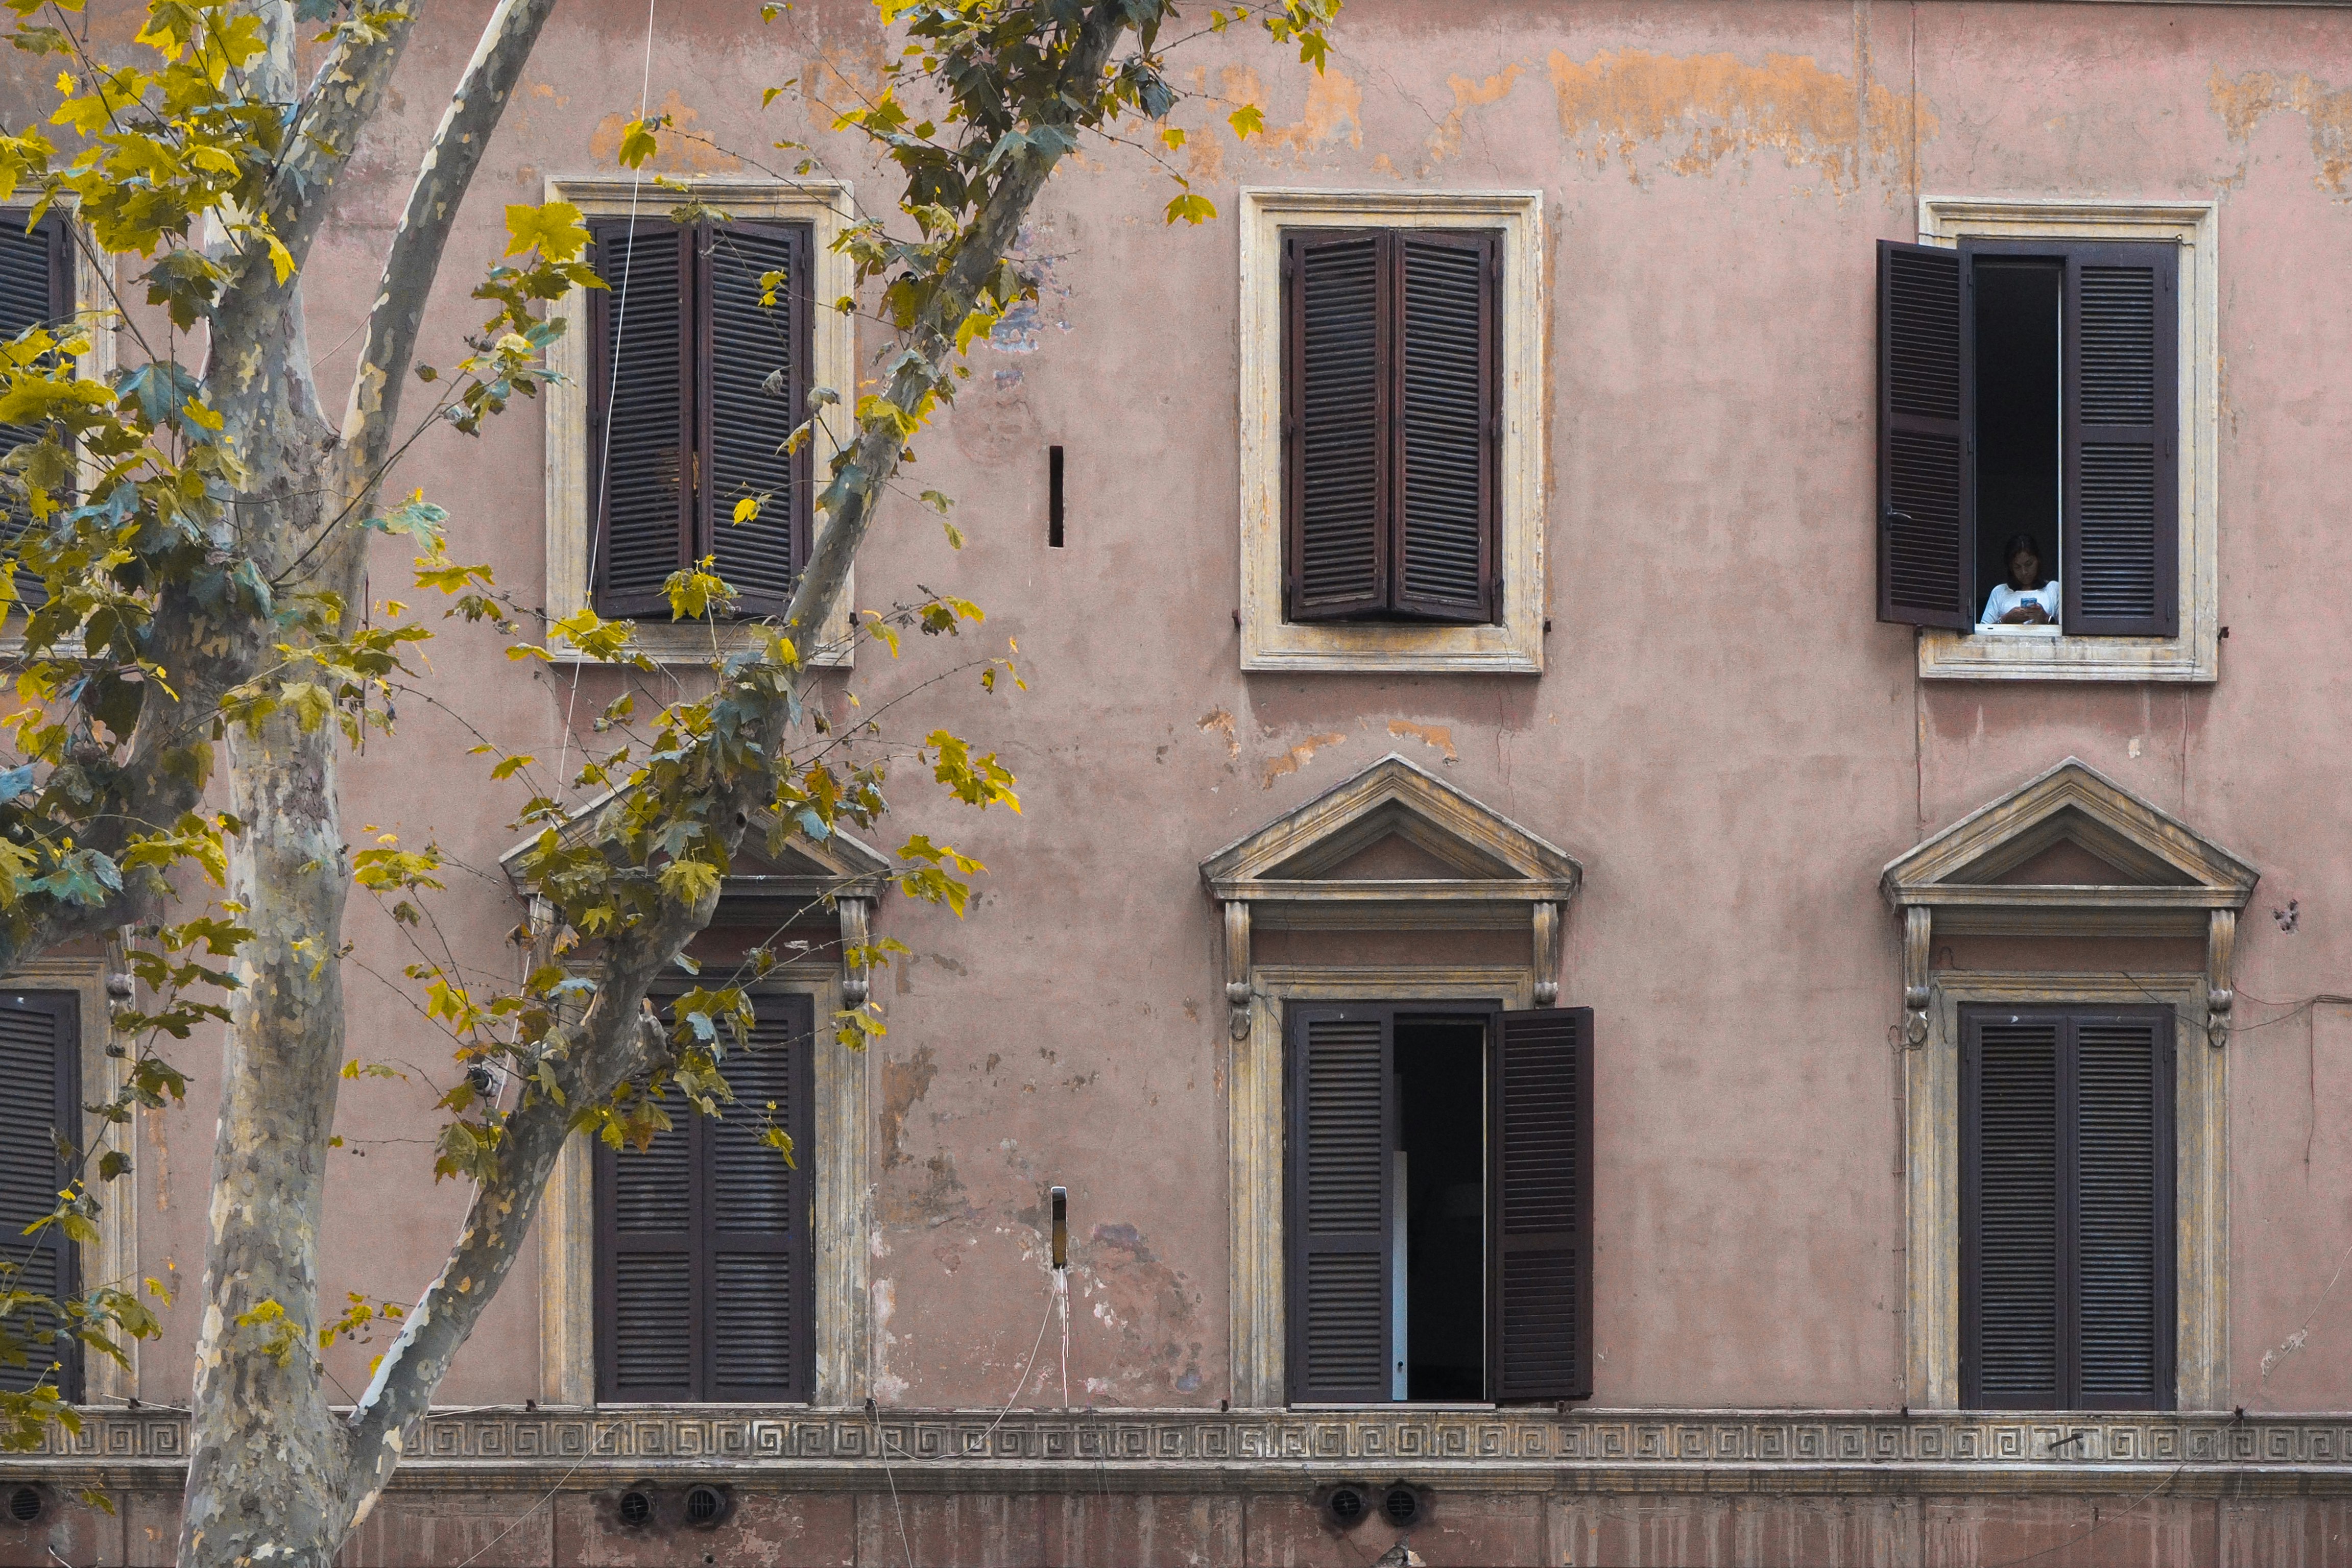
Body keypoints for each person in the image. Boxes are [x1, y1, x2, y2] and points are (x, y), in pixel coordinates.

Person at [1981, 533, 2058, 628]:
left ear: (2038, 560)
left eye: (2029, 564)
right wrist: (2005, 620)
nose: (2024, 572)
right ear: (2010, 567)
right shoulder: (2000, 592)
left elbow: (2066, 631)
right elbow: (1983, 631)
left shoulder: (2053, 589)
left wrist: (2046, 619)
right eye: (2017, 567)